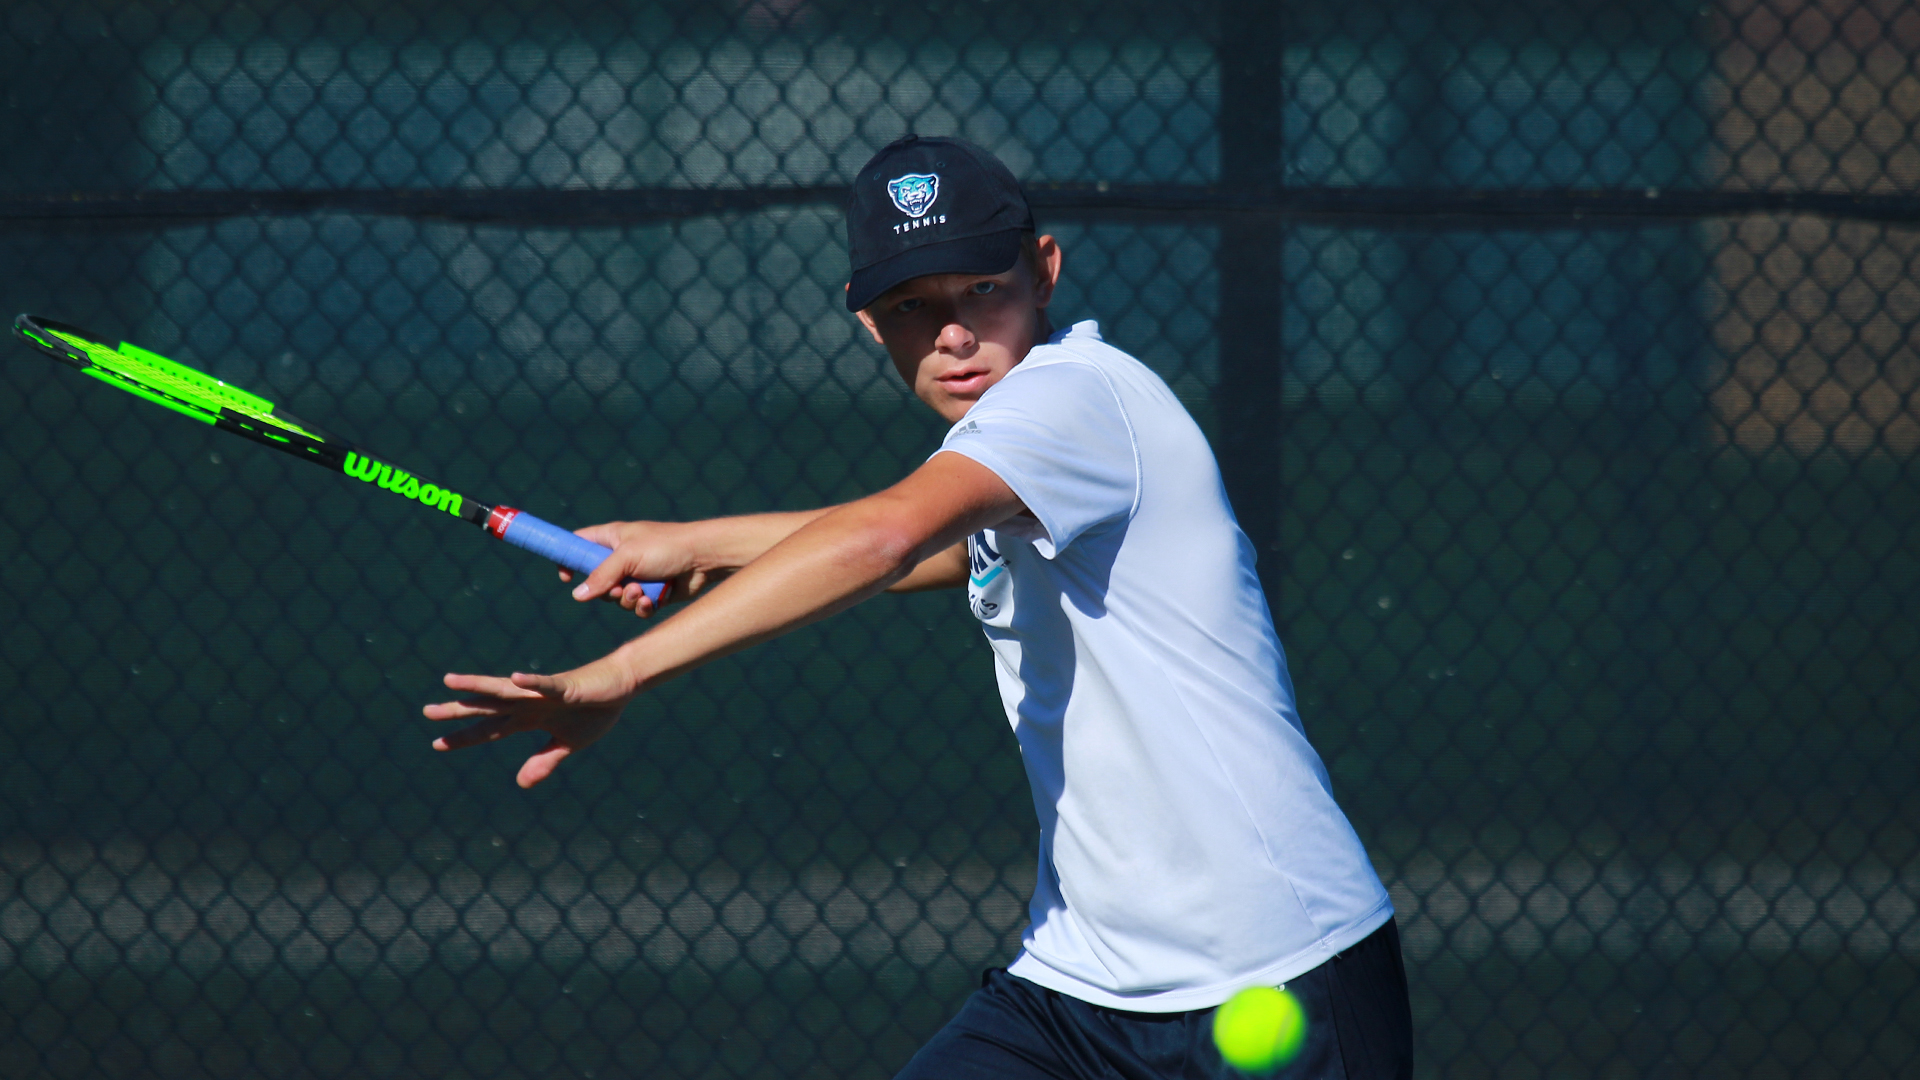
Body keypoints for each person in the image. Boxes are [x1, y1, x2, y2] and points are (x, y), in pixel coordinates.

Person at [424, 134, 1413, 1079]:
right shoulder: (1016, 467)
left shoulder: (1073, 398)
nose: (950, 332)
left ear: (1045, 271)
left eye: (983, 289)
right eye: (910, 304)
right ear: (868, 321)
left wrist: (616, 673)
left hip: (1277, 971)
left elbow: (884, 539)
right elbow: (933, 554)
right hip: (1079, 986)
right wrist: (689, 543)